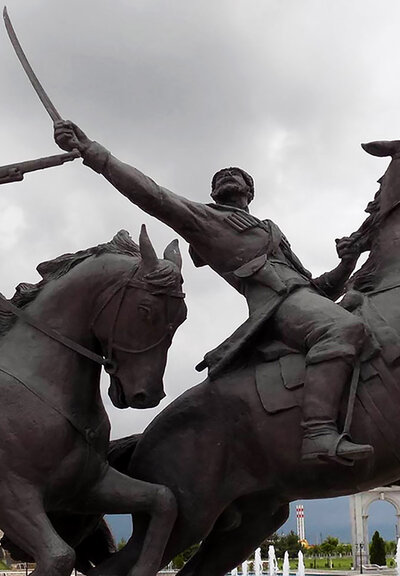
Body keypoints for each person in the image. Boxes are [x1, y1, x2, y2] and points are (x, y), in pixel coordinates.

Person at [55, 121, 371, 465]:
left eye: (237, 175)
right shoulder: (206, 221)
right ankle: (318, 433)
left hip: (299, 298)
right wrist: (91, 150)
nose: (228, 176)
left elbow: (314, 288)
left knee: (376, 318)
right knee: (342, 330)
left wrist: (349, 262)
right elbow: (152, 195)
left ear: (250, 193)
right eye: (220, 177)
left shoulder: (270, 231)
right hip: (276, 310)